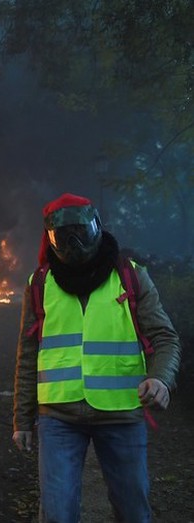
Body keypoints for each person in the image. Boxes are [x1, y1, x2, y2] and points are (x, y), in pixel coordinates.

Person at [12, 193, 181, 523]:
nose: (74, 243)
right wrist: (22, 419)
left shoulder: (131, 277)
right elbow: (28, 354)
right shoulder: (40, 284)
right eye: (63, 236)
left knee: (133, 511)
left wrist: (161, 378)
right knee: (57, 515)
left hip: (121, 414)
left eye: (82, 231)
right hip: (58, 417)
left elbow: (165, 337)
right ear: (50, 238)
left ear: (98, 227)